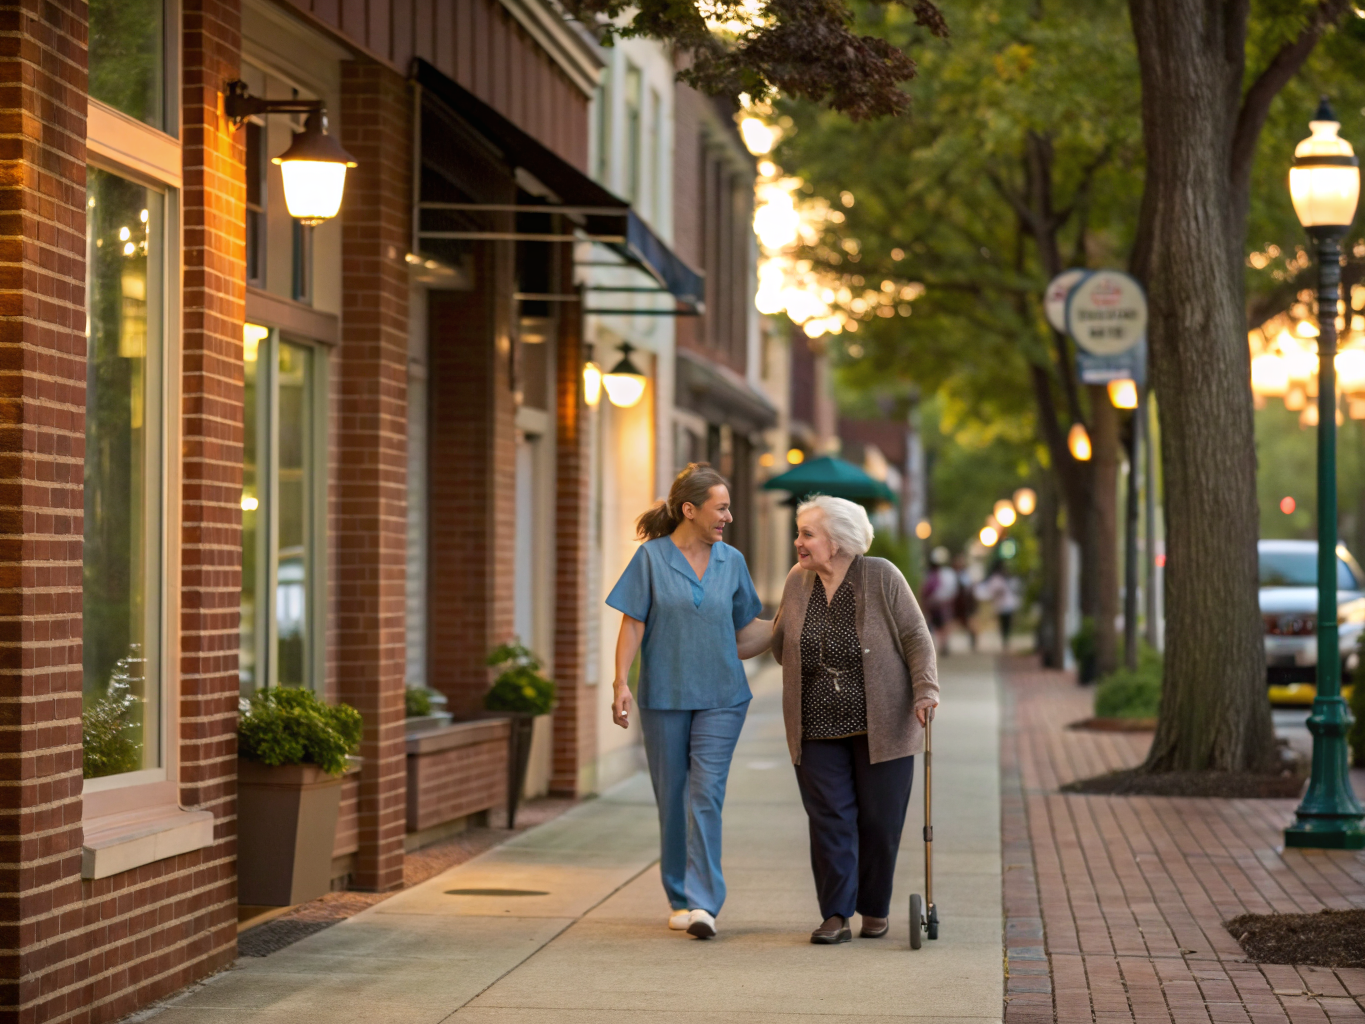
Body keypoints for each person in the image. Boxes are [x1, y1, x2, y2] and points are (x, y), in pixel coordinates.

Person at [606, 463, 770, 940]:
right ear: (690, 510)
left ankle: (703, 903)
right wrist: (620, 683)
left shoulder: (732, 561)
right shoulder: (651, 560)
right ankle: (677, 894)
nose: (729, 517)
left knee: (705, 792)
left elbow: (744, 634)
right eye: (721, 508)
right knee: (673, 796)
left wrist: (790, 625)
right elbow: (632, 624)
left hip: (723, 696)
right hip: (664, 695)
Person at [771, 495, 939, 945]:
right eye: (799, 532)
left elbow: (916, 637)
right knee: (830, 818)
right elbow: (780, 638)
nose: (798, 543)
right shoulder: (798, 580)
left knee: (879, 823)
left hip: (883, 723)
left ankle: (874, 907)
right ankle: (836, 914)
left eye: (807, 534)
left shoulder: (881, 575)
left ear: (839, 541)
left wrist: (926, 690)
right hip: (815, 723)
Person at [976, 563, 1022, 649]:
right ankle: (1005, 638)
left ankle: (1006, 638)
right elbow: (992, 591)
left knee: (1007, 622)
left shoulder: (1006, 579)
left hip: (1007, 604)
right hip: (1001, 605)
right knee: (1003, 623)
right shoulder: (996, 579)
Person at [924, 547, 958, 655]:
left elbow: (926, 591)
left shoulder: (932, 575)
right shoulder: (947, 574)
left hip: (938, 604)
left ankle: (942, 644)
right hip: (943, 604)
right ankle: (943, 643)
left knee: (940, 626)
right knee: (943, 625)